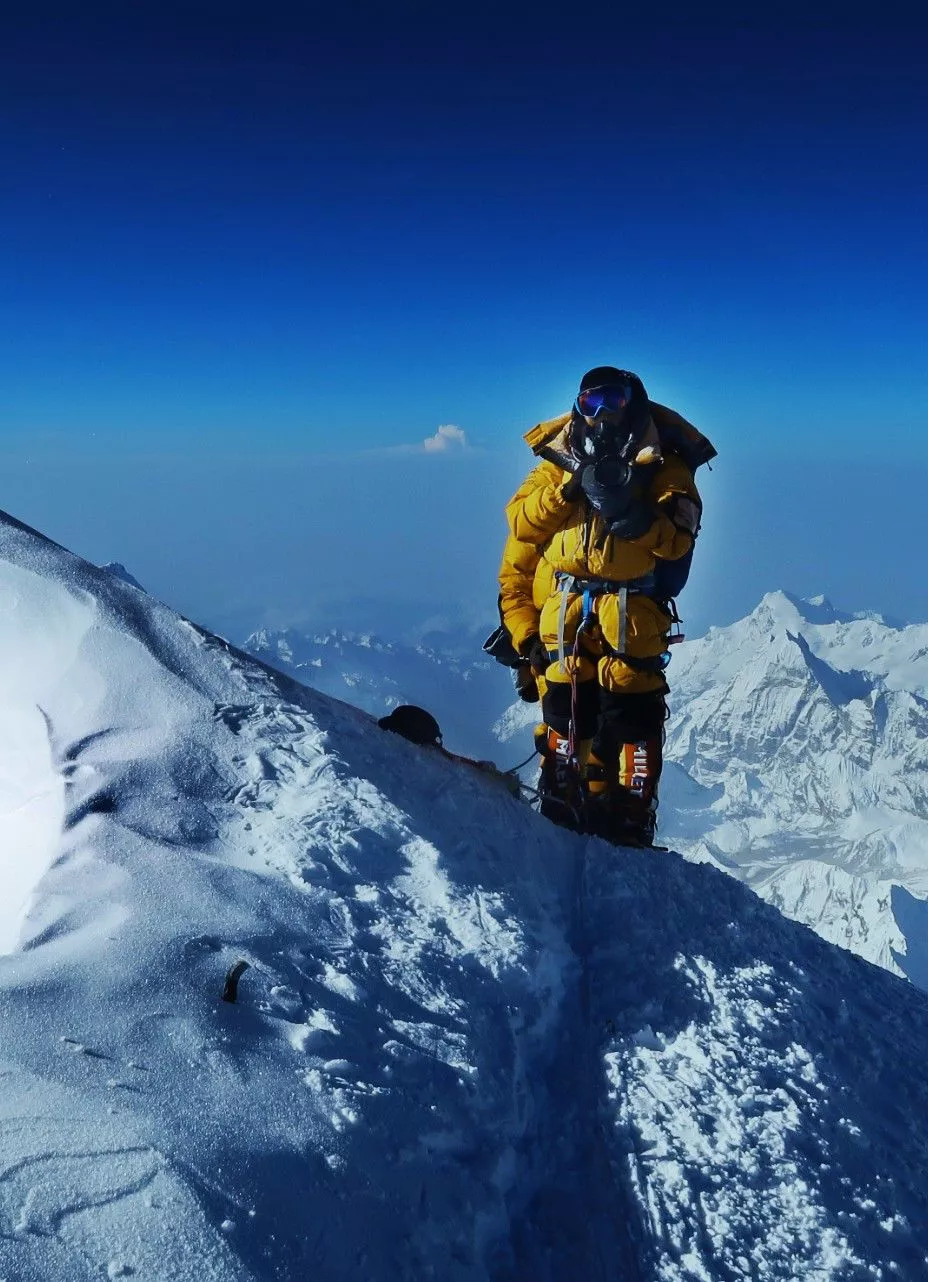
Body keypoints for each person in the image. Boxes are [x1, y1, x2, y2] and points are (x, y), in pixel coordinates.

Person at [498, 366, 716, 847]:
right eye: (590, 402)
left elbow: (678, 539)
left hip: (632, 612)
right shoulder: (558, 461)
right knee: (564, 710)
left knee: (631, 715)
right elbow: (520, 522)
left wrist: (635, 517)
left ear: (632, 403)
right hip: (566, 610)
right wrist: (568, 491)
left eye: (611, 402)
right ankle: (564, 796)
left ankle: (629, 814)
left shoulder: (664, 465)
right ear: (578, 405)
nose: (600, 415)